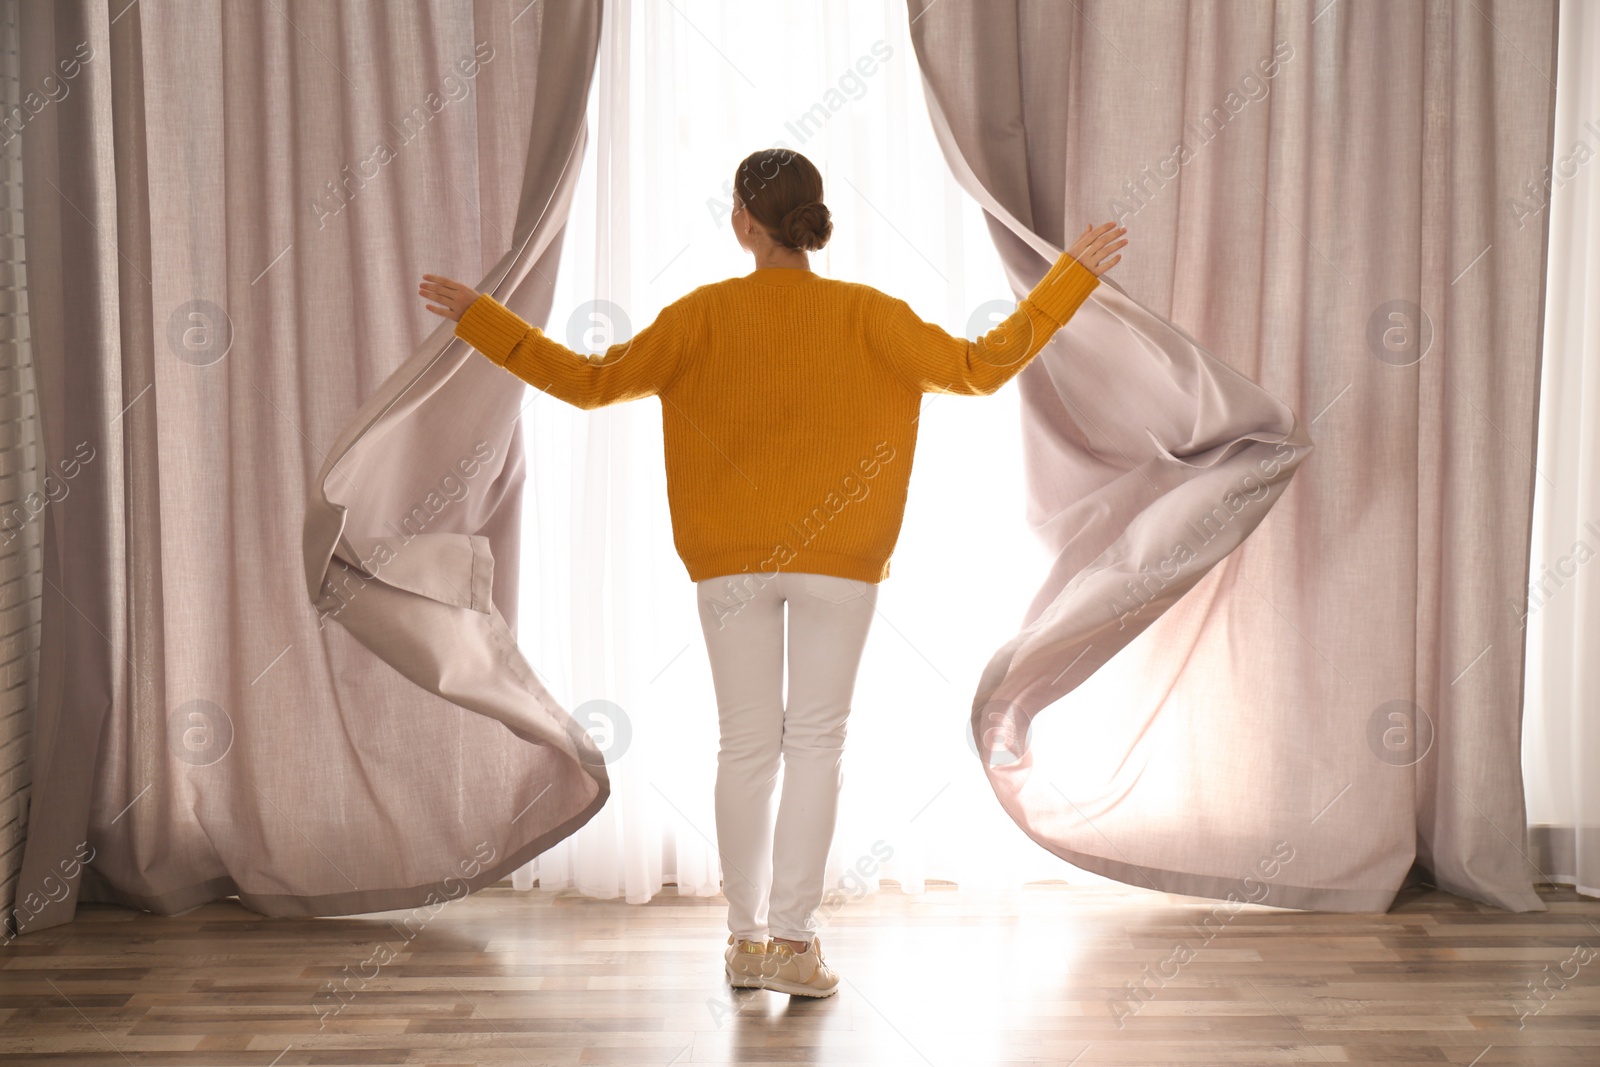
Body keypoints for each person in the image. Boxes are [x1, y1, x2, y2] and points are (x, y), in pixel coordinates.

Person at [419, 147, 1125, 998]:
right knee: (816, 745)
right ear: (811, 219)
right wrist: (1066, 281)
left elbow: (588, 381)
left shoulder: (699, 317)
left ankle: (746, 941)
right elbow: (981, 366)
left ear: (742, 223)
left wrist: (483, 320)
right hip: (843, 563)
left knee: (744, 746)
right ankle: (792, 944)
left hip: (730, 563)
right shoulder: (871, 314)